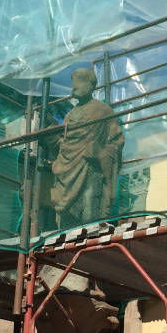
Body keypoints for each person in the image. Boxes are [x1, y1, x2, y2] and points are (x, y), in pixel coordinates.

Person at [48, 67, 123, 228]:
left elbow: (117, 142)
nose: (74, 86)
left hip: (91, 168)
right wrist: (52, 138)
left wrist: (100, 153)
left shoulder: (103, 110)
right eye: (74, 83)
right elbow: (65, 145)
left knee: (90, 214)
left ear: (90, 85)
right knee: (67, 220)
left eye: (80, 82)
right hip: (68, 169)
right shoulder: (69, 115)